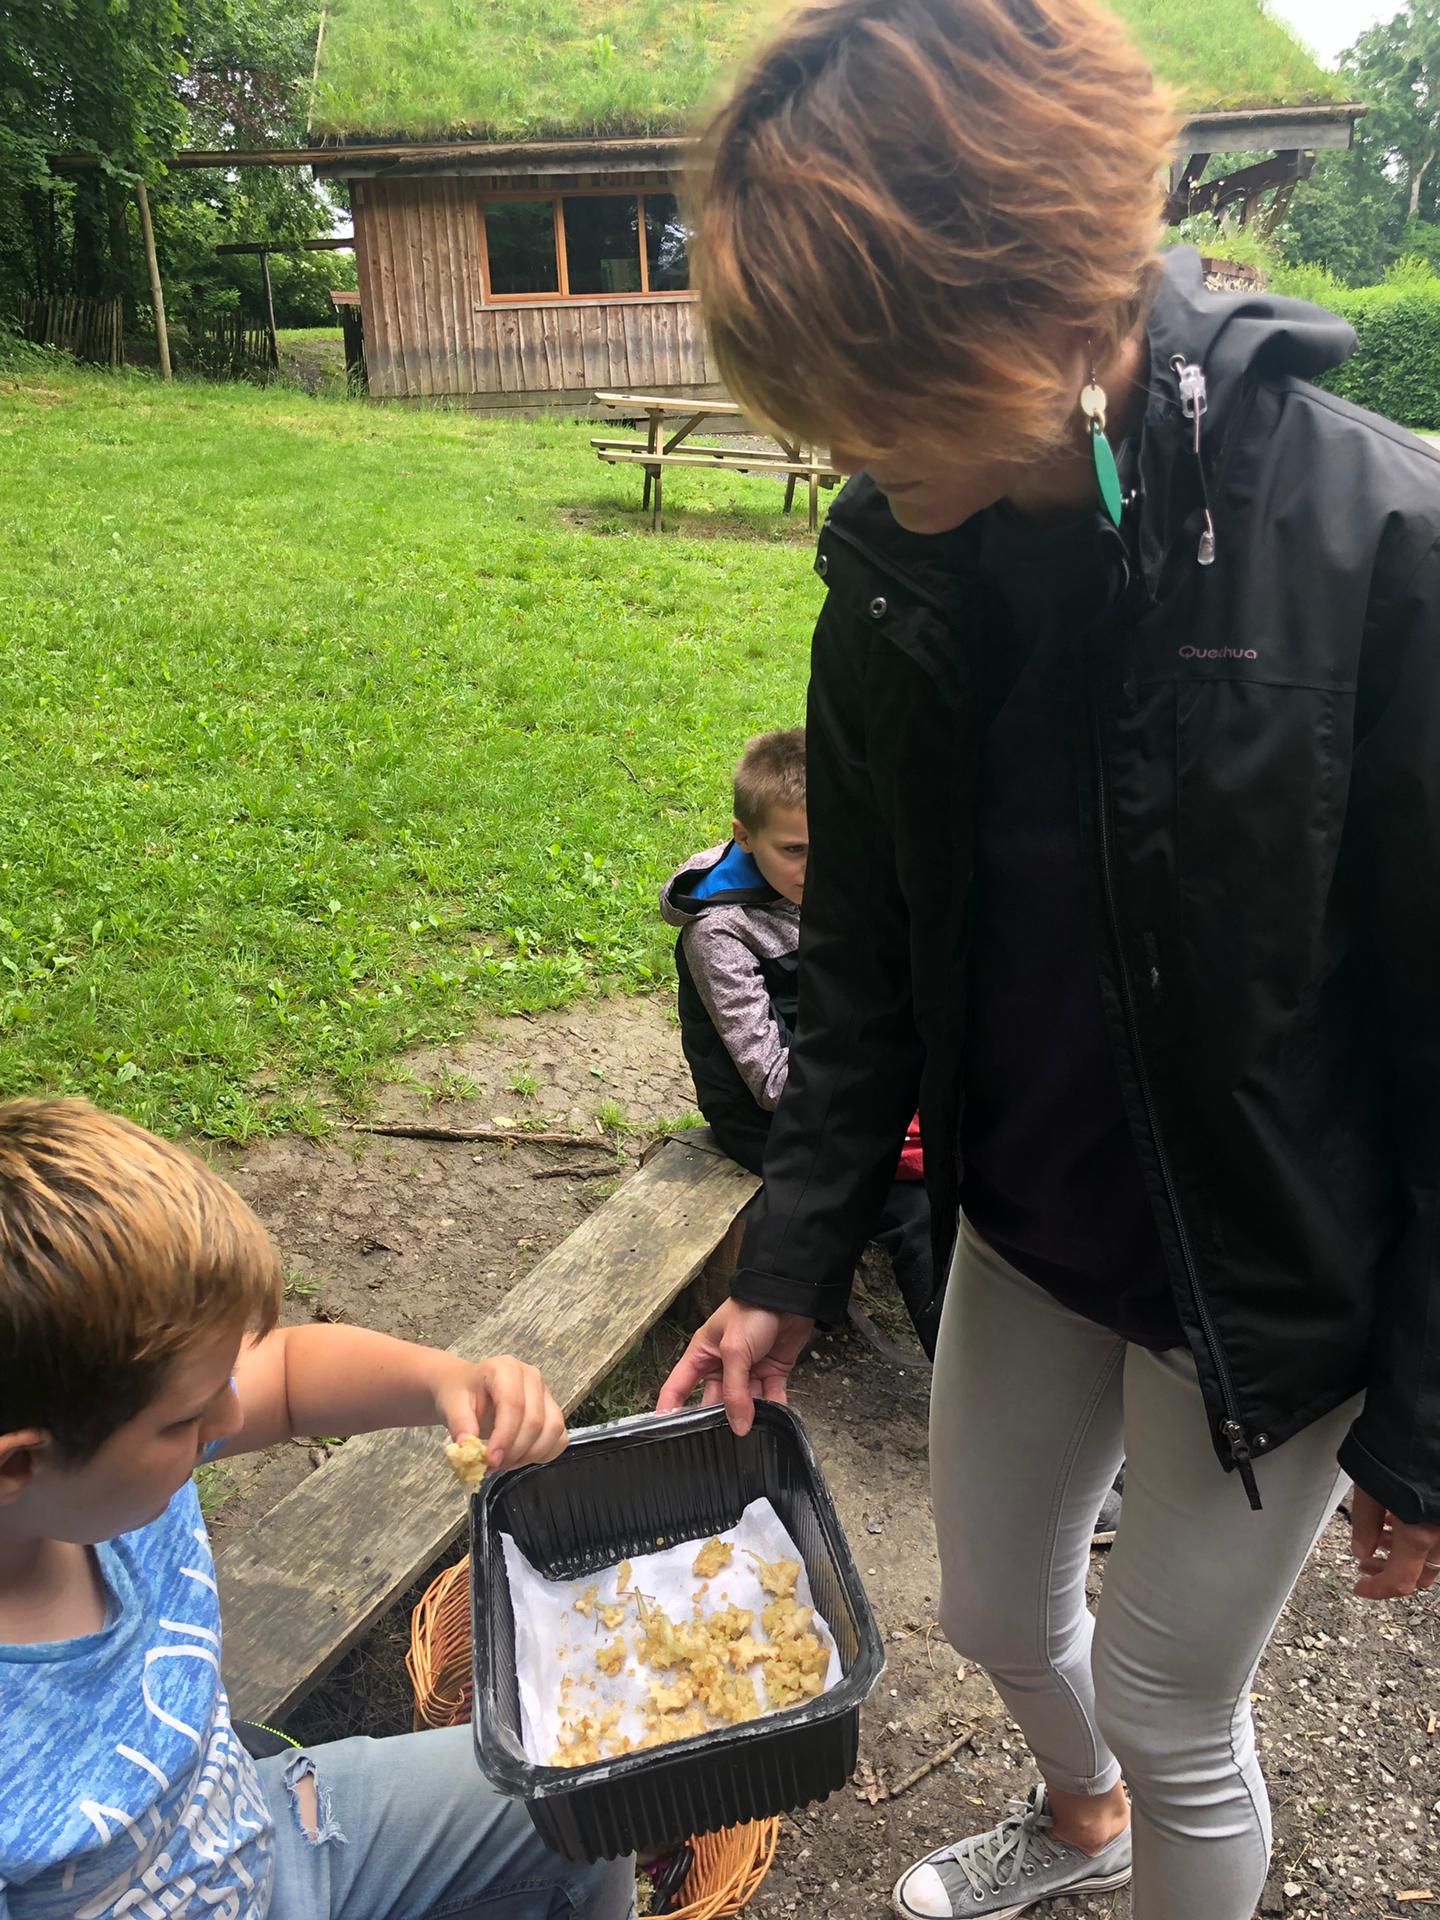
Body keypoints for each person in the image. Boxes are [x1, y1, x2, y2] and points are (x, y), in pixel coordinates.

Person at [658, 2, 1440, 1917]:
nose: (833, 448)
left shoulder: (1380, 546)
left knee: (1177, 1706)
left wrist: (1424, 1424)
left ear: (1028, 309)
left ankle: (1141, 1805)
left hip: (1263, 1273)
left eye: (866, 393)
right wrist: (791, 1260)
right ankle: (1077, 1828)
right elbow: (864, 952)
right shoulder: (897, 561)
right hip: (1025, 1219)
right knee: (997, 1607)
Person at [0, 1096, 634, 1920]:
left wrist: (449, 1381)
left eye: (224, 1382)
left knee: (583, 1803)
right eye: (187, 1420)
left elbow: (292, 1375)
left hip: (265, 1838)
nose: (231, 1417)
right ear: (18, 1462)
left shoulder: (94, 1466)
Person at [661, 727, 940, 1354]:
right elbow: (768, 1082)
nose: (821, 867)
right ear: (744, 836)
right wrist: (889, 1092)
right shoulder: (720, 934)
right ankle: (966, 1379)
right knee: (916, 1207)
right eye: (795, 850)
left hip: (855, 1082)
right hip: (770, 1117)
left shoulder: (843, 879)